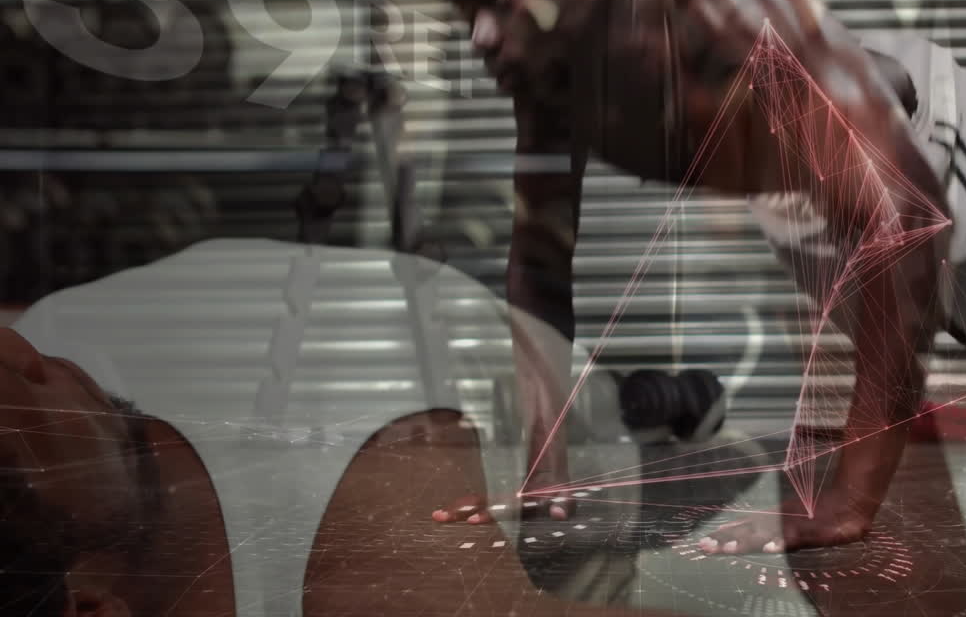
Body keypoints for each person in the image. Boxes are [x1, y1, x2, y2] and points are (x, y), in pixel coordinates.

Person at [431, 0, 966, 554]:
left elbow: (905, 223)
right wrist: (544, 468)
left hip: (919, 128)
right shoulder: (550, 76)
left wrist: (850, 502)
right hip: (796, 176)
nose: (481, 37)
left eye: (503, 1)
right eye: (468, 8)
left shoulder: (719, 15)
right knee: (944, 327)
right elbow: (539, 267)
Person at [0, 239, 681, 617]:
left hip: (567, 441)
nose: (24, 357)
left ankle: (662, 407)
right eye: (12, 447)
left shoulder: (368, 530)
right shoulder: (356, 577)